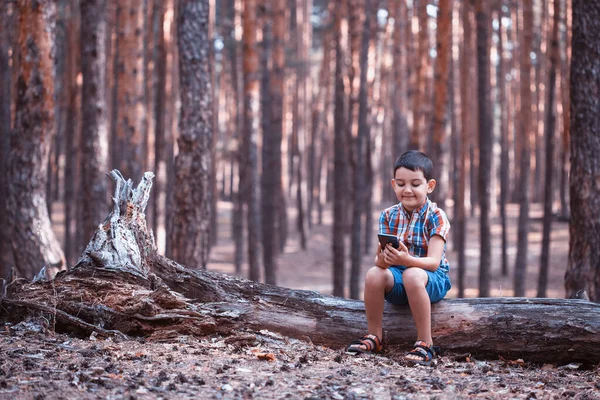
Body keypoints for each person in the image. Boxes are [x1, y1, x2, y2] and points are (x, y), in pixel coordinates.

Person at [345, 150, 452, 366]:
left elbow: (433, 262)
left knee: (412, 275)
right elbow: (380, 261)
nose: (408, 190)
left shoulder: (436, 215)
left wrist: (405, 260)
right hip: (400, 277)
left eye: (415, 184)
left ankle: (425, 342)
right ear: (393, 185)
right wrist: (385, 260)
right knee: (374, 274)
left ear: (429, 186)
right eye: (401, 184)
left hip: (433, 278)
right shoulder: (388, 215)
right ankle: (375, 336)